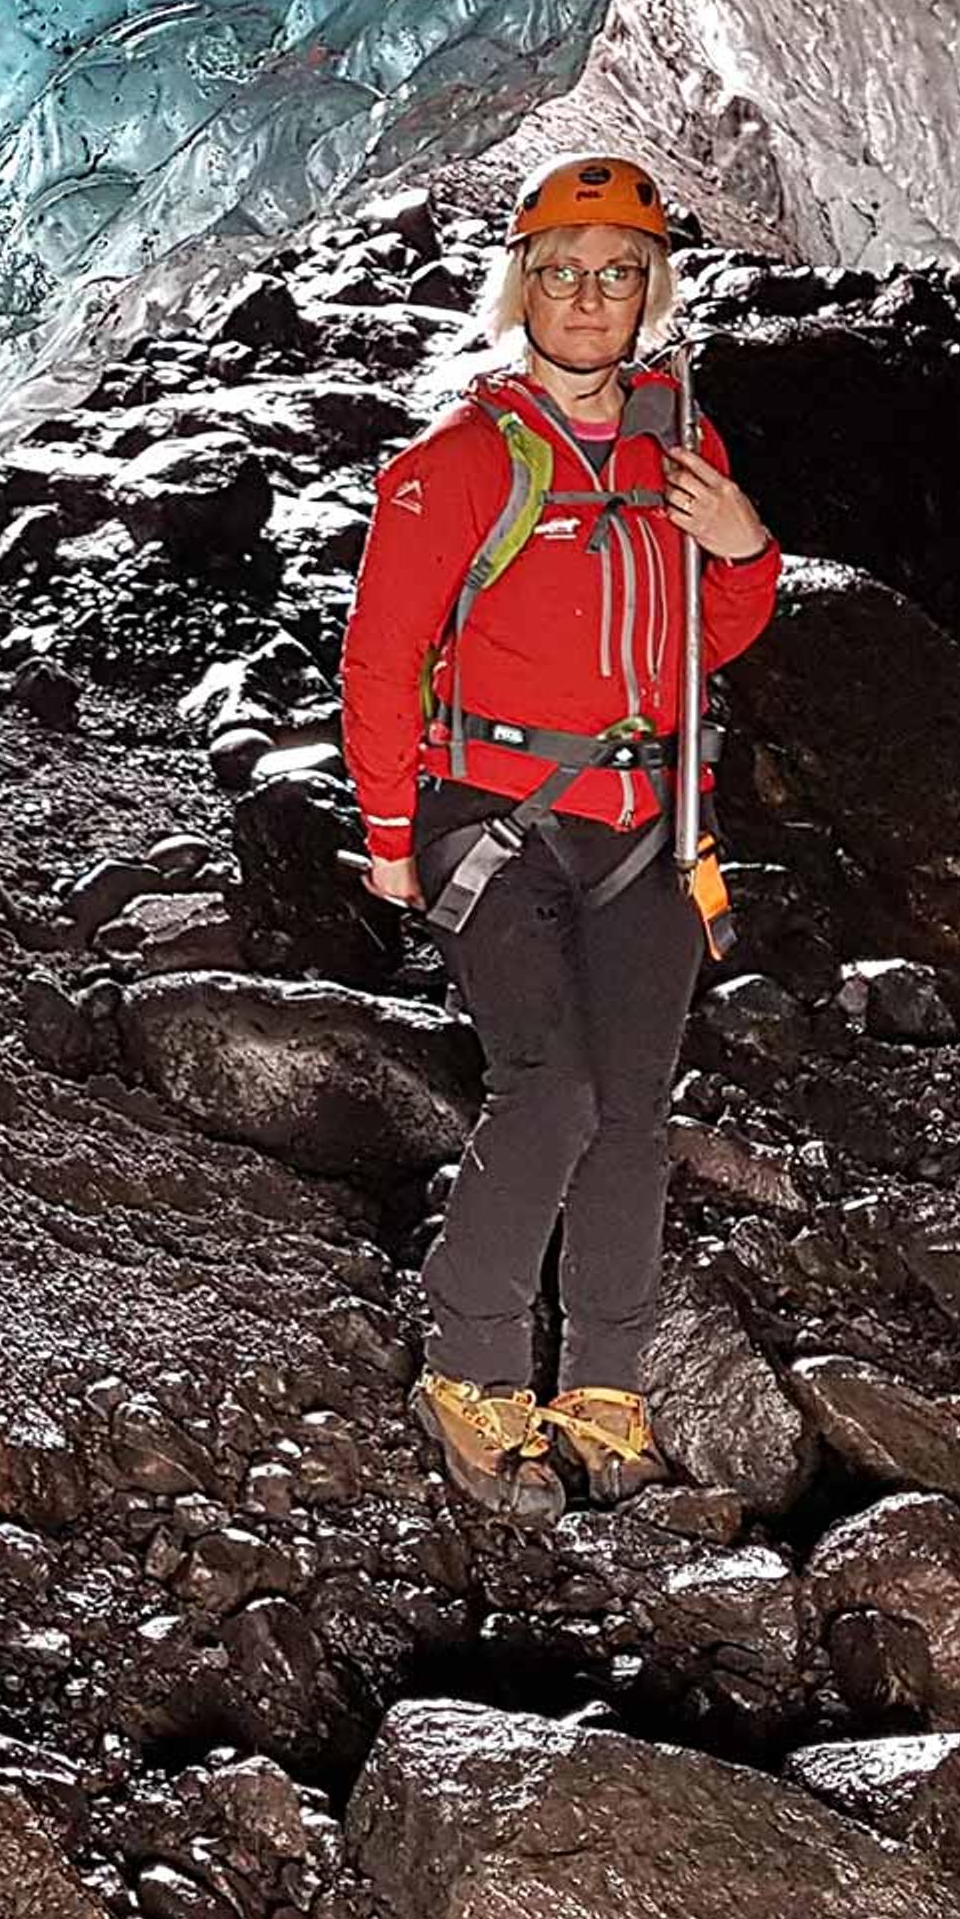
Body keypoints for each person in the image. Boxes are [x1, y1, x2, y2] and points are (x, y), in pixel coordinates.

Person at [336, 153, 781, 1521]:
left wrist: (747, 544)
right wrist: (392, 828)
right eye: (565, 273)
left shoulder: (684, 447)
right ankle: (469, 1364)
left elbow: (718, 635)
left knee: (636, 1117)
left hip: (649, 820)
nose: (592, 298)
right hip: (498, 818)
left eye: (619, 275)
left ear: (651, 293)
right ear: (521, 288)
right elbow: (381, 656)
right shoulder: (452, 465)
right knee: (553, 1090)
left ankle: (603, 1381)